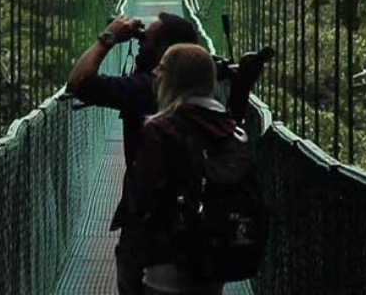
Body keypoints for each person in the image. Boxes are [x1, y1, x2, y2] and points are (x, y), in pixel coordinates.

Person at [65, 15, 266, 294]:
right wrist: (241, 85)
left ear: (167, 59)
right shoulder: (219, 119)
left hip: (161, 255)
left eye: (146, 40)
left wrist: (108, 36)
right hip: (209, 249)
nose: (140, 43)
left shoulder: (154, 109)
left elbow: (78, 83)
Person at [125, 44, 250, 295]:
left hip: (167, 264)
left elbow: (143, 197)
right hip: (215, 256)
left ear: (174, 77)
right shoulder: (231, 128)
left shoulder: (160, 130)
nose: (155, 73)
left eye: (161, 67)